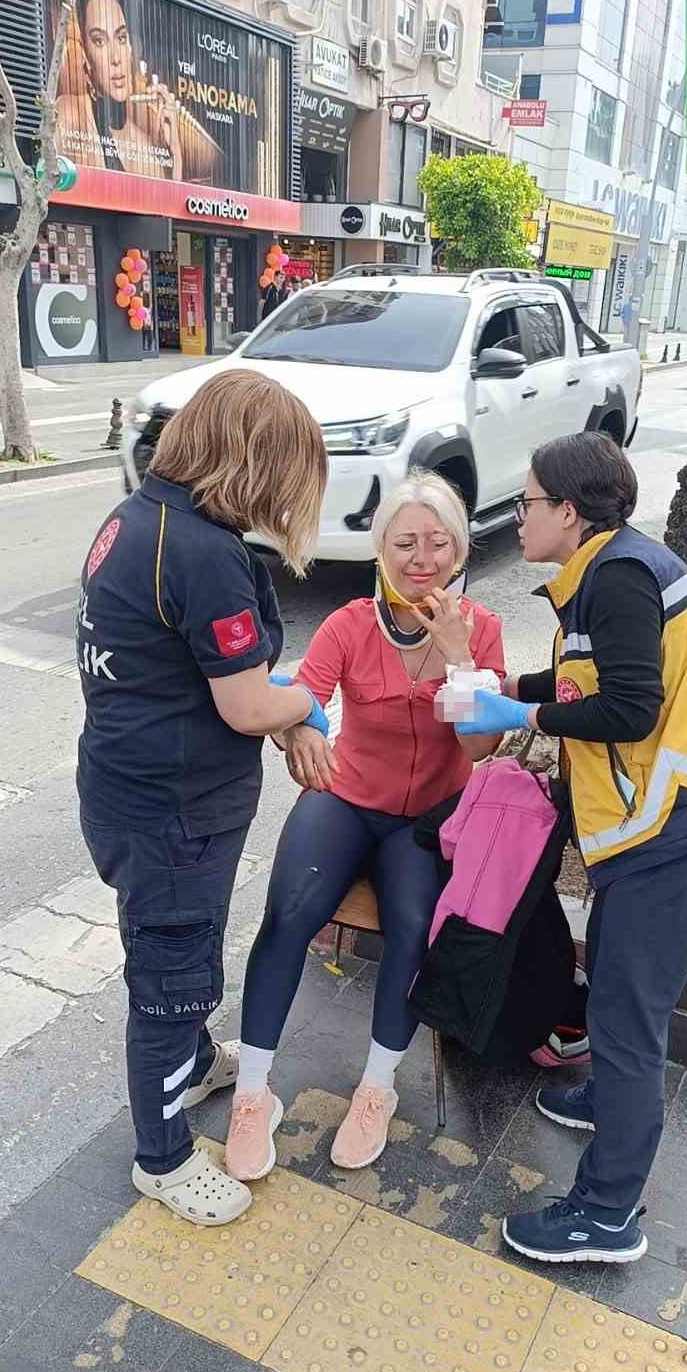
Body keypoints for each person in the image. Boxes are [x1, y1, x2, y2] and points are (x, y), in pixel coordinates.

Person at [455, 432, 687, 1264]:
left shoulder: (621, 578)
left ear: (568, 512)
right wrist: (508, 688)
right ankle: (609, 1098)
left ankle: (605, 1215)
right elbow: (585, 683)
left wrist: (516, 718)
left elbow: (630, 709)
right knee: (612, 971)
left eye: (527, 502)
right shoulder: (604, 573)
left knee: (628, 1019)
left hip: (686, 832)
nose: (519, 515)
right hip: (667, 831)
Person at [76, 372, 328, 1227]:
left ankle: (197, 1059)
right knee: (171, 978)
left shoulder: (138, 518)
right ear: (255, 461)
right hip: (174, 813)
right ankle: (165, 1157)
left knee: (168, 946)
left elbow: (205, 674)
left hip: (127, 790)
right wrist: (314, 705)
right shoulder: (205, 553)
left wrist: (278, 707)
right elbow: (250, 703)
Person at [224, 473, 506, 1181]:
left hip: (425, 822)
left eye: (438, 544)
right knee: (289, 911)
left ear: (460, 549)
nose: (422, 559)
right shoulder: (350, 623)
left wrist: (460, 657)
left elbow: (478, 750)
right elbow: (295, 697)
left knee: (412, 924)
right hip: (346, 799)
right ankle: (252, 1095)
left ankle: (376, 1090)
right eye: (405, 543)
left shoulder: (485, 631)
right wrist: (299, 736)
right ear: (380, 549)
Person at [56, 0, 185, 181]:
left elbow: (168, 209)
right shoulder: (68, 114)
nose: (115, 58)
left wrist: (175, 150)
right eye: (99, 41)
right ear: (86, 55)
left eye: (121, 37)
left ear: (132, 49)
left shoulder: (144, 147)